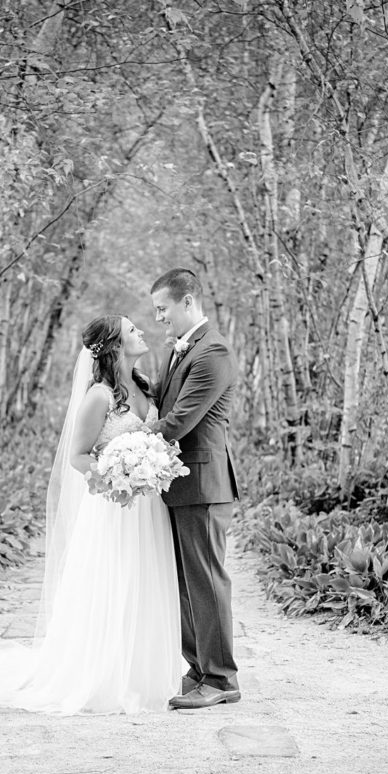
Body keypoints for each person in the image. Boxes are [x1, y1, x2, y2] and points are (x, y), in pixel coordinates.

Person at [0, 315, 182, 715]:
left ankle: (142, 672)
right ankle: (102, 674)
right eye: (132, 330)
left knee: (144, 579)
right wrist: (117, 474)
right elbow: (77, 456)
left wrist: (147, 468)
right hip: (111, 507)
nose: (141, 331)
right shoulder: (98, 397)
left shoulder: (144, 386)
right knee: (112, 582)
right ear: (116, 346)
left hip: (146, 507)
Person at [148, 268, 241, 710]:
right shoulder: (182, 350)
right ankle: (200, 668)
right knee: (185, 582)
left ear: (188, 302)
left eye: (163, 308)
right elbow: (166, 399)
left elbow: (179, 421)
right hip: (180, 483)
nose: (160, 318)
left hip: (203, 483)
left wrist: (121, 447)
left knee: (206, 581)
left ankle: (221, 680)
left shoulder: (213, 351)